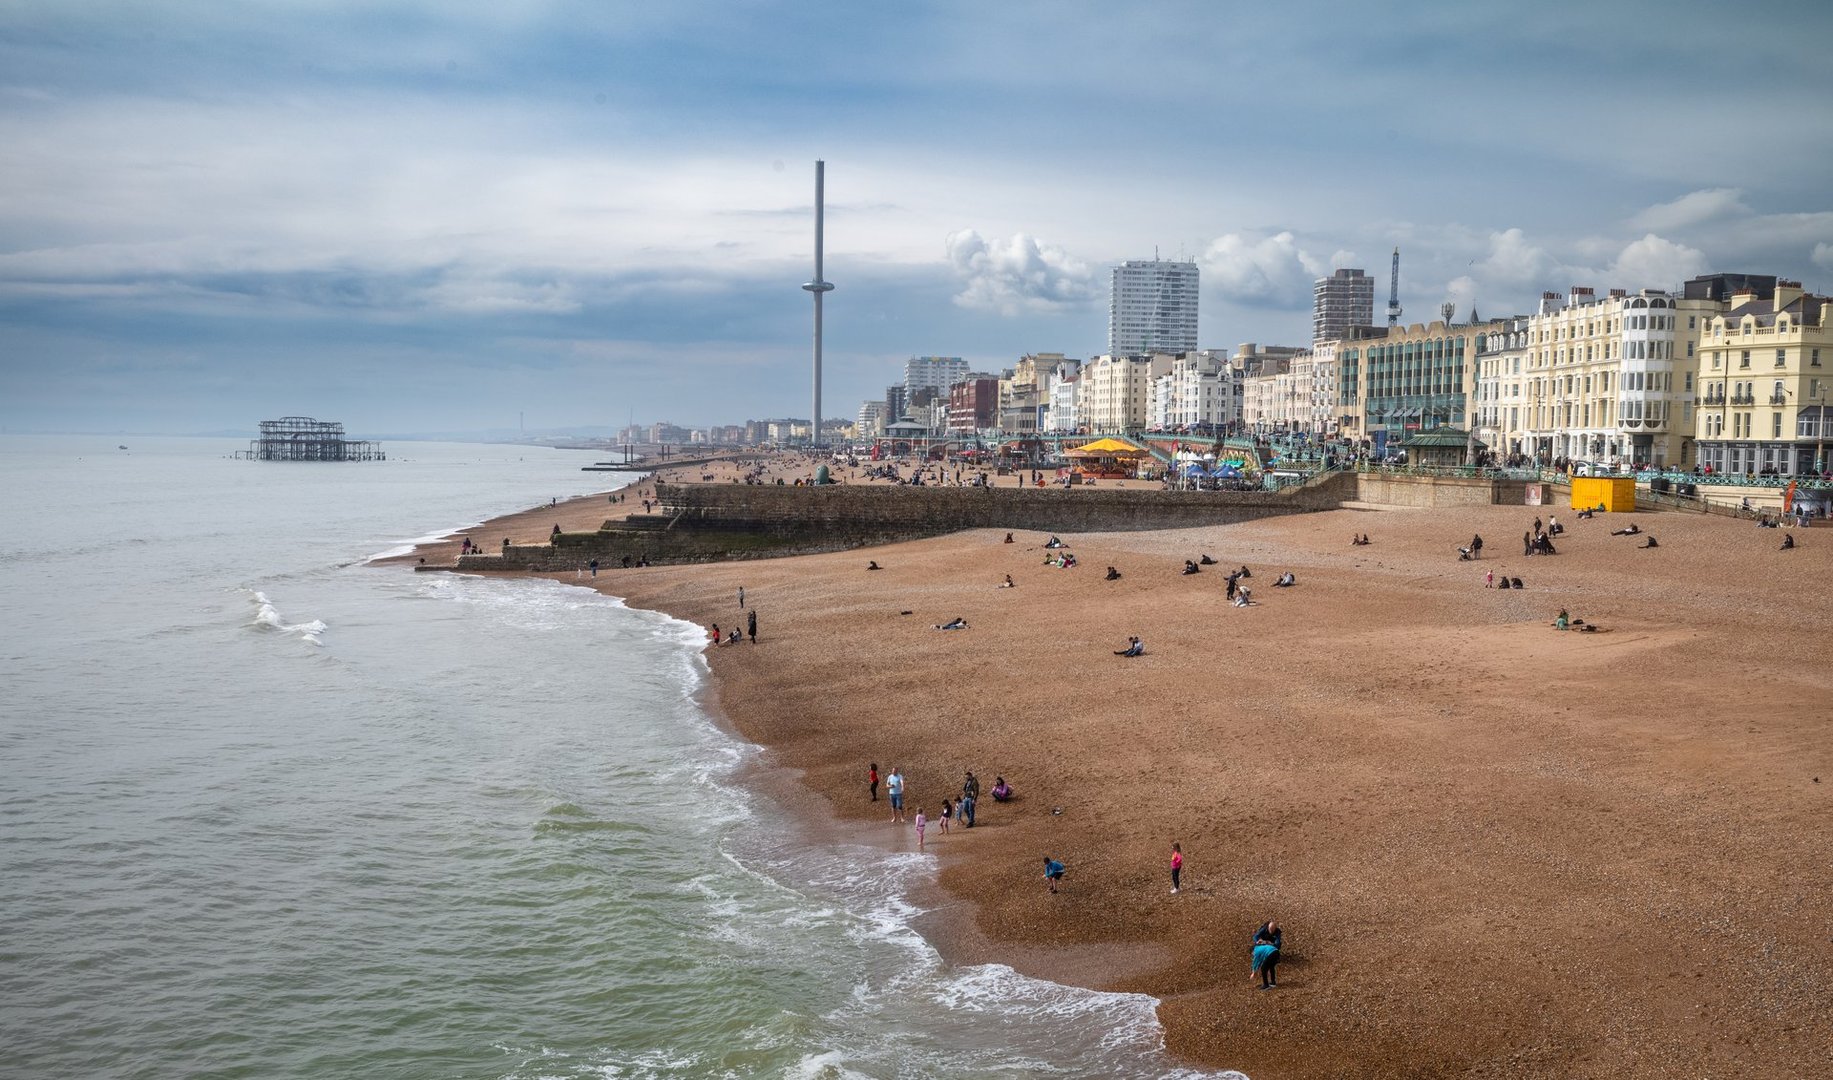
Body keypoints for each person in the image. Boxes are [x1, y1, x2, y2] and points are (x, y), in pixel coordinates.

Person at [1252, 921, 1282, 989]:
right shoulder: (1263, 929)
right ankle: (1273, 983)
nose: (1271, 931)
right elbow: (1256, 936)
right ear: (1268, 927)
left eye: (1273, 930)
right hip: (1273, 951)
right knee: (1271, 966)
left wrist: (1254, 972)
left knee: (1264, 968)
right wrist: (1259, 940)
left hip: (1272, 950)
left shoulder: (1277, 932)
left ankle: (1266, 985)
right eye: (1270, 929)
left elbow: (1256, 961)